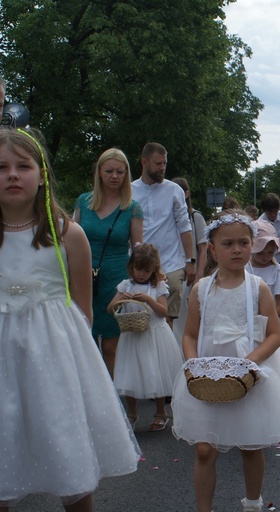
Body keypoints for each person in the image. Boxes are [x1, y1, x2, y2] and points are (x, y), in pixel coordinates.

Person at [0, 127, 140, 510]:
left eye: (22, 166)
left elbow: (83, 310)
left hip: (53, 360)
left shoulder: (66, 234)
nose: (11, 174)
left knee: (67, 454)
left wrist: (76, 366)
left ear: (41, 174)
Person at [171, 210, 280, 512]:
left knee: (250, 443)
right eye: (228, 244)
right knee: (205, 448)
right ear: (213, 249)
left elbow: (272, 335)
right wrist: (193, 364)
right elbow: (190, 334)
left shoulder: (259, 288)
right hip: (209, 370)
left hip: (247, 371)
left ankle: (253, 503)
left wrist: (249, 362)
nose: (236, 249)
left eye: (243, 243)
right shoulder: (201, 289)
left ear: (252, 245)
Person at [73, 148, 144, 377]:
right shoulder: (83, 202)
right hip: (83, 277)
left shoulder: (132, 207)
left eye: (120, 172)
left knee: (112, 346)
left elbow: (138, 249)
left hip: (116, 281)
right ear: (99, 172)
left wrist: (150, 273)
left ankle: (112, 398)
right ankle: (88, 393)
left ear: (126, 175)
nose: (115, 176)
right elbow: (70, 240)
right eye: (109, 171)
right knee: (85, 340)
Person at [108, 243, 182, 432]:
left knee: (155, 373)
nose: (141, 274)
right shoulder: (126, 285)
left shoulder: (158, 287)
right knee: (130, 375)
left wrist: (149, 299)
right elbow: (110, 309)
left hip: (154, 335)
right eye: (138, 269)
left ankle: (160, 412)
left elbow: (164, 311)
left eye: (146, 270)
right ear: (131, 266)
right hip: (132, 336)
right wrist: (120, 299)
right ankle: (132, 413)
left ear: (153, 270)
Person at [131, 142, 194, 330]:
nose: (163, 168)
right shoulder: (130, 191)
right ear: (144, 162)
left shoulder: (174, 190)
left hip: (171, 261)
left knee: (166, 318)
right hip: (140, 263)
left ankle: (165, 355)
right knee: (139, 316)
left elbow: (184, 226)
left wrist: (190, 260)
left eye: (165, 164)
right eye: (158, 164)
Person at [171, 177, 208, 346]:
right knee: (174, 318)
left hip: (190, 274)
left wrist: (199, 276)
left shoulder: (195, 217)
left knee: (188, 316)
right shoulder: (168, 216)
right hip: (174, 269)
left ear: (186, 193)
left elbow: (203, 248)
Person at [247, 219, 280, 348]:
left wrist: (262, 321)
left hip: (271, 327)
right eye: (260, 252)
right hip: (246, 327)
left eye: (269, 252)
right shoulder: (245, 270)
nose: (264, 257)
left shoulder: (279, 272)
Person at [258, 193, 280, 264]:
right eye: (270, 212)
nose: (273, 214)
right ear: (264, 210)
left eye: (275, 211)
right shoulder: (260, 222)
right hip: (268, 259)